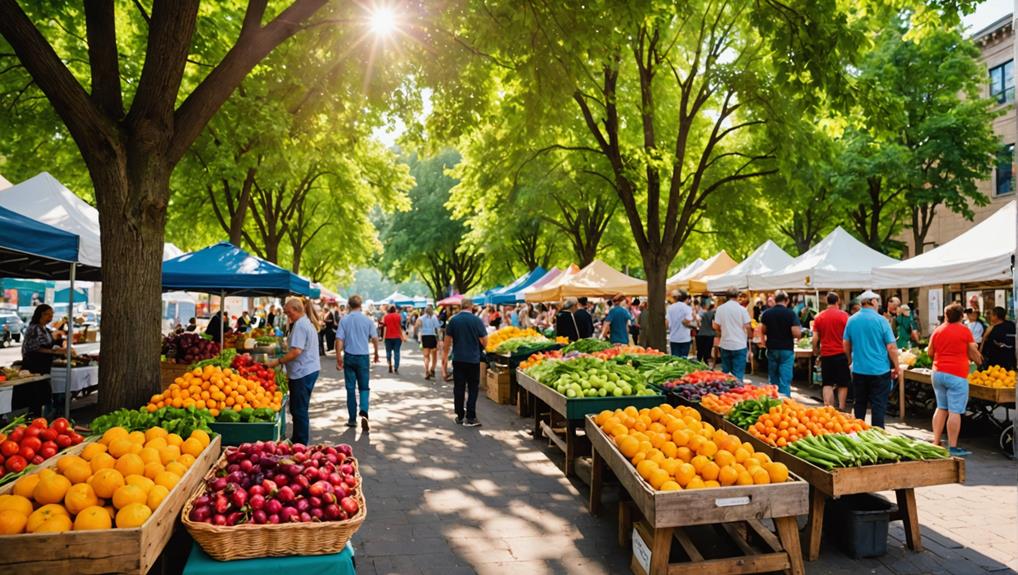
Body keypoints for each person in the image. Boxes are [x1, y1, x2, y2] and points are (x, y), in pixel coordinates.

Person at [928, 304, 982, 457]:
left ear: (946, 315)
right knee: (954, 411)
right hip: (957, 374)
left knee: (941, 407)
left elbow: (930, 352)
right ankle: (953, 446)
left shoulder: (937, 331)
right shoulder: (964, 330)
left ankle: (936, 441)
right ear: (961, 316)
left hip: (938, 373)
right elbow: (973, 350)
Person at [266, 298, 320, 444]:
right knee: (298, 408)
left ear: (296, 310)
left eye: (289, 313)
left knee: (299, 409)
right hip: (307, 370)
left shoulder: (301, 325)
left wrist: (278, 361)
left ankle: (301, 443)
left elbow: (296, 351)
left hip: (303, 372)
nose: (288, 315)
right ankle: (297, 439)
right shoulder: (303, 323)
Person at [843, 290, 899, 428]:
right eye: (877, 302)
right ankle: (877, 435)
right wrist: (897, 367)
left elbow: (845, 344)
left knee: (859, 404)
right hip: (879, 370)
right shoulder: (881, 320)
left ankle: (858, 433)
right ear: (873, 302)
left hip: (859, 369)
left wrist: (850, 359)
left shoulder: (852, 320)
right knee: (878, 406)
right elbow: (891, 347)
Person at [335, 295, 380, 430]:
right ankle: (364, 410)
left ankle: (352, 419)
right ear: (361, 306)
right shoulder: (367, 321)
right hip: (363, 358)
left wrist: (338, 357)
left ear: (348, 305)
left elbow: (339, 340)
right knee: (364, 387)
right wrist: (376, 353)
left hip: (349, 356)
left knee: (350, 389)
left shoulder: (344, 320)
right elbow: (375, 338)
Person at [18, 304, 70, 416]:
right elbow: (35, 348)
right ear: (42, 314)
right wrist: (55, 352)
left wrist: (58, 346)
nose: (51, 317)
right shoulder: (34, 328)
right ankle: (33, 420)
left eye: (52, 314)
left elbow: (49, 344)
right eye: (49, 314)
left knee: (41, 397)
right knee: (35, 397)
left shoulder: (45, 329)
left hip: (43, 366)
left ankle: (39, 419)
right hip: (34, 366)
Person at [443, 298, 488, 427]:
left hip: (458, 359)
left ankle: (460, 415)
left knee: (459, 387)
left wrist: (444, 360)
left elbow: (447, 343)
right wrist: (480, 346)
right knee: (473, 388)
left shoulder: (453, 320)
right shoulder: (477, 320)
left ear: (461, 306)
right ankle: (471, 417)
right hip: (473, 360)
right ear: (471, 306)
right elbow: (485, 340)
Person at [812, 292, 850, 410]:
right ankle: (842, 407)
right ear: (838, 301)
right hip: (841, 354)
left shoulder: (819, 317)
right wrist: (849, 355)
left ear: (826, 301)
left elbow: (815, 338)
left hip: (826, 354)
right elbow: (849, 337)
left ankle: (828, 408)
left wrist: (816, 350)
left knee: (827, 383)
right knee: (843, 383)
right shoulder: (845, 316)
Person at [759, 291, 801, 397]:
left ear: (775, 300)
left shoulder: (767, 313)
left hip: (772, 347)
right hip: (786, 349)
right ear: (786, 301)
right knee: (785, 379)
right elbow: (796, 333)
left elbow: (763, 330)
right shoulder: (791, 313)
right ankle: (784, 400)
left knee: (773, 377)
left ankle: (774, 398)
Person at [714, 289, 752, 382]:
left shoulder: (720, 308)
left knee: (725, 373)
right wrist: (750, 336)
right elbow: (748, 326)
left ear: (726, 296)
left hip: (725, 344)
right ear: (737, 296)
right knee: (738, 375)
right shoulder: (742, 309)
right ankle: (737, 393)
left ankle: (725, 392)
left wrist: (722, 331)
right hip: (739, 344)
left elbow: (716, 326)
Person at [666, 290, 694, 358]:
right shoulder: (687, 308)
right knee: (684, 360)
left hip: (673, 338)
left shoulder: (670, 307)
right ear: (685, 298)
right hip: (685, 338)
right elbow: (687, 321)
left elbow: (666, 323)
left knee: (675, 360)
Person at [416, 305, 442, 379]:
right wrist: (439, 339)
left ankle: (426, 371)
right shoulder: (434, 317)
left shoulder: (421, 318)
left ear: (425, 311)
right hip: (432, 337)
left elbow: (418, 326)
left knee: (426, 356)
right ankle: (432, 369)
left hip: (424, 337)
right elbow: (438, 328)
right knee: (434, 355)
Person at [381, 305, 405, 374]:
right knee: (396, 352)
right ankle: (396, 367)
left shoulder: (386, 317)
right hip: (397, 337)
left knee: (388, 352)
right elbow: (400, 327)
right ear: (395, 310)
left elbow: (385, 328)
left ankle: (389, 364)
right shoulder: (398, 316)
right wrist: (402, 336)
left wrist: (383, 337)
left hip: (388, 337)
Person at [696, 300, 716, 365]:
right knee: (707, 351)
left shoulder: (704, 313)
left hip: (701, 334)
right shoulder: (714, 314)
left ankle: (699, 363)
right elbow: (714, 325)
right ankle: (705, 364)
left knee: (700, 351)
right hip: (710, 334)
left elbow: (698, 321)